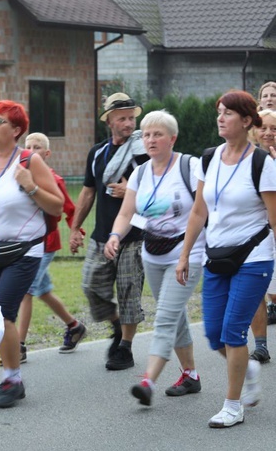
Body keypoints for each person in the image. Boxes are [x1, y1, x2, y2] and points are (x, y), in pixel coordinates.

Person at [176, 90, 276, 428]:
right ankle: (245, 366)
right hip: (216, 257)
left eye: (228, 113)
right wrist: (185, 254)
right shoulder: (209, 157)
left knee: (234, 332)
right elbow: (198, 211)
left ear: (246, 120)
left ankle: (232, 406)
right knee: (215, 334)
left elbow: (275, 219)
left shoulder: (262, 163)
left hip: (255, 258)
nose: (220, 118)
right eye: (219, 112)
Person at [102, 111, 204, 406]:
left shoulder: (190, 166)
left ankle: (148, 381)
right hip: (153, 253)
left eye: (157, 134)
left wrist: (187, 252)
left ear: (172, 138)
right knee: (175, 315)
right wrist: (115, 236)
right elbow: (126, 213)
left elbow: (203, 209)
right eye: (146, 134)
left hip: (188, 252)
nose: (150, 139)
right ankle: (191, 375)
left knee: (166, 317)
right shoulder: (141, 173)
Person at [0, 102, 63, 409]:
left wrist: (31, 187)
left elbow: (57, 206)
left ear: (16, 130)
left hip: (26, 250)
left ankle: (13, 379)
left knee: (3, 312)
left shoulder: (30, 160)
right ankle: (10, 375)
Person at [69, 93, 149, 370]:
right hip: (102, 235)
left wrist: (131, 191)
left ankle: (125, 349)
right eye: (122, 118)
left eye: (131, 117)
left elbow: (159, 189)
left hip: (134, 236)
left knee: (128, 293)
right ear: (110, 121)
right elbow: (88, 192)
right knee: (91, 286)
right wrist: (75, 227)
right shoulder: (98, 153)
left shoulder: (143, 151)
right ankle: (116, 326)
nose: (128, 123)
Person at [17, 132, 87, 360]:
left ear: (46, 154)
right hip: (24, 244)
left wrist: (76, 232)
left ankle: (19, 346)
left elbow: (69, 208)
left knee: (26, 291)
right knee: (42, 291)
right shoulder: (17, 177)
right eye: (28, 147)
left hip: (45, 245)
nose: (32, 151)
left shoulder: (54, 180)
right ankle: (74, 326)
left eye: (37, 148)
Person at [248, 83, 276, 364]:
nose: (268, 133)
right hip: (256, 237)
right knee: (258, 291)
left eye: (274, 128)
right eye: (263, 128)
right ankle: (261, 346)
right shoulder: (247, 159)